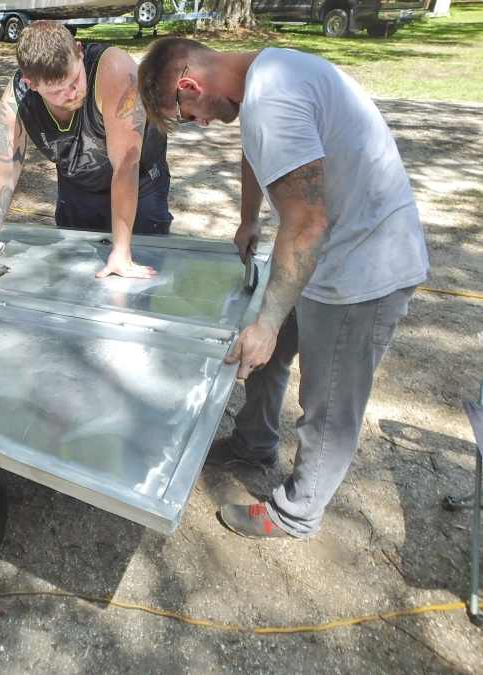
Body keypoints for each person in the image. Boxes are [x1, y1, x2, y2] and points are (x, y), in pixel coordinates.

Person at [137, 39, 429, 538]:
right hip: (327, 255)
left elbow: (309, 221)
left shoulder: (271, 95)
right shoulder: (262, 76)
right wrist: (248, 219)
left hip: (362, 267)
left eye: (187, 115)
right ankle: (254, 443)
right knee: (267, 358)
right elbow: (257, 153)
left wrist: (269, 322)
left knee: (328, 401)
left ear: (190, 85)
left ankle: (296, 513)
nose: (201, 124)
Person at [0, 21, 172, 279]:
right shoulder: (18, 99)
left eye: (75, 79)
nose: (71, 93)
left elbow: (126, 164)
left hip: (139, 183)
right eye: (56, 91)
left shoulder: (115, 70)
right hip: (78, 187)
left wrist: (122, 251)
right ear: (31, 84)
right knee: (77, 277)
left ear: (78, 50)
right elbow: (4, 168)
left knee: (136, 280)